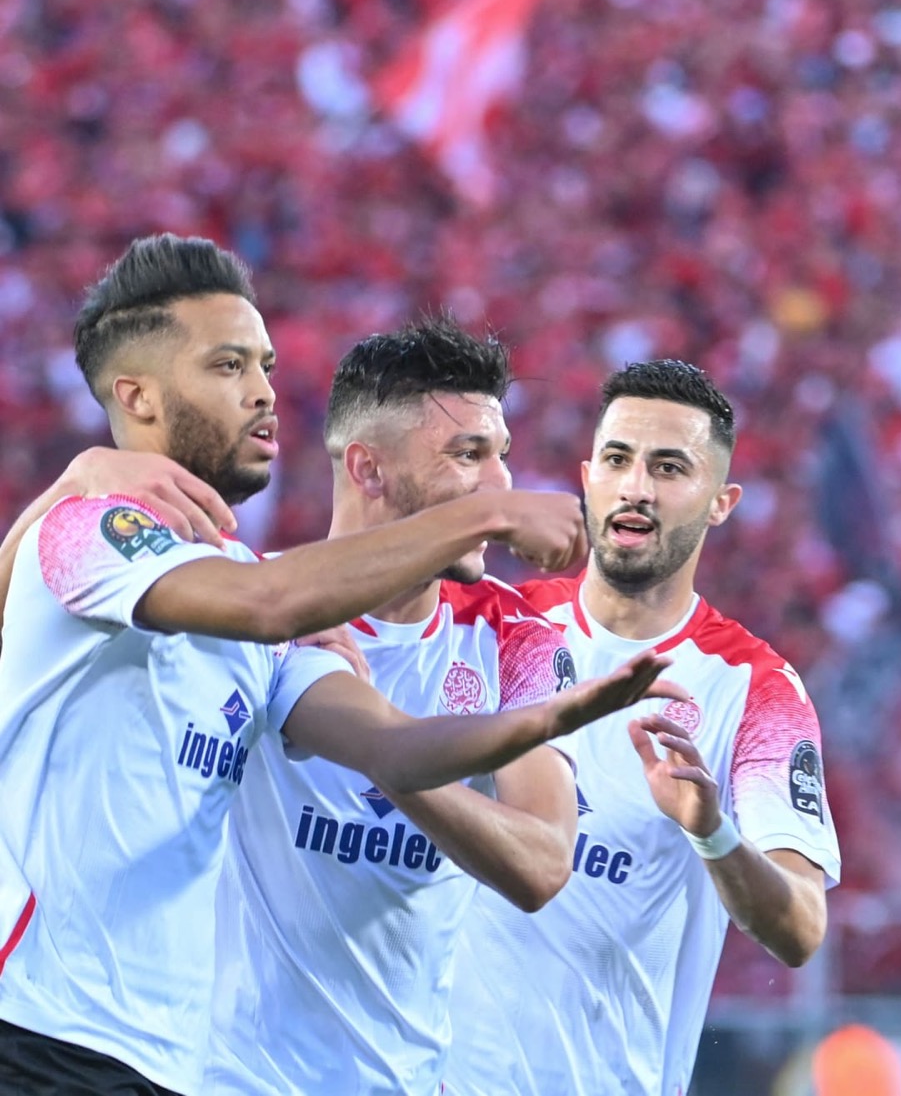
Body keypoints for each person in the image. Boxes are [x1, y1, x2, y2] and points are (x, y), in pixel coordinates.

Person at [0, 235, 681, 1096]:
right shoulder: (95, 530)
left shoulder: (273, 608)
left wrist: (549, 718)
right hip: (38, 1032)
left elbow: (391, 747)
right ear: (136, 395)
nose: (262, 391)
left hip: (162, 1064)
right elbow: (266, 603)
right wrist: (491, 516)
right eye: (227, 365)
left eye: (265, 364)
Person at [205, 317, 655, 1094]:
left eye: (502, 454)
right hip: (227, 1077)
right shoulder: (250, 606)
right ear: (368, 469)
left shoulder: (515, 636)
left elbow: (542, 863)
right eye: (467, 455)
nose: (501, 485)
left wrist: (383, 746)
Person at [445, 360, 842, 1096]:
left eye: (669, 467)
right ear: (587, 476)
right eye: (619, 460)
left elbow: (800, 928)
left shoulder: (755, 688)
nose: (637, 488)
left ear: (721, 502)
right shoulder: (492, 625)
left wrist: (712, 833)